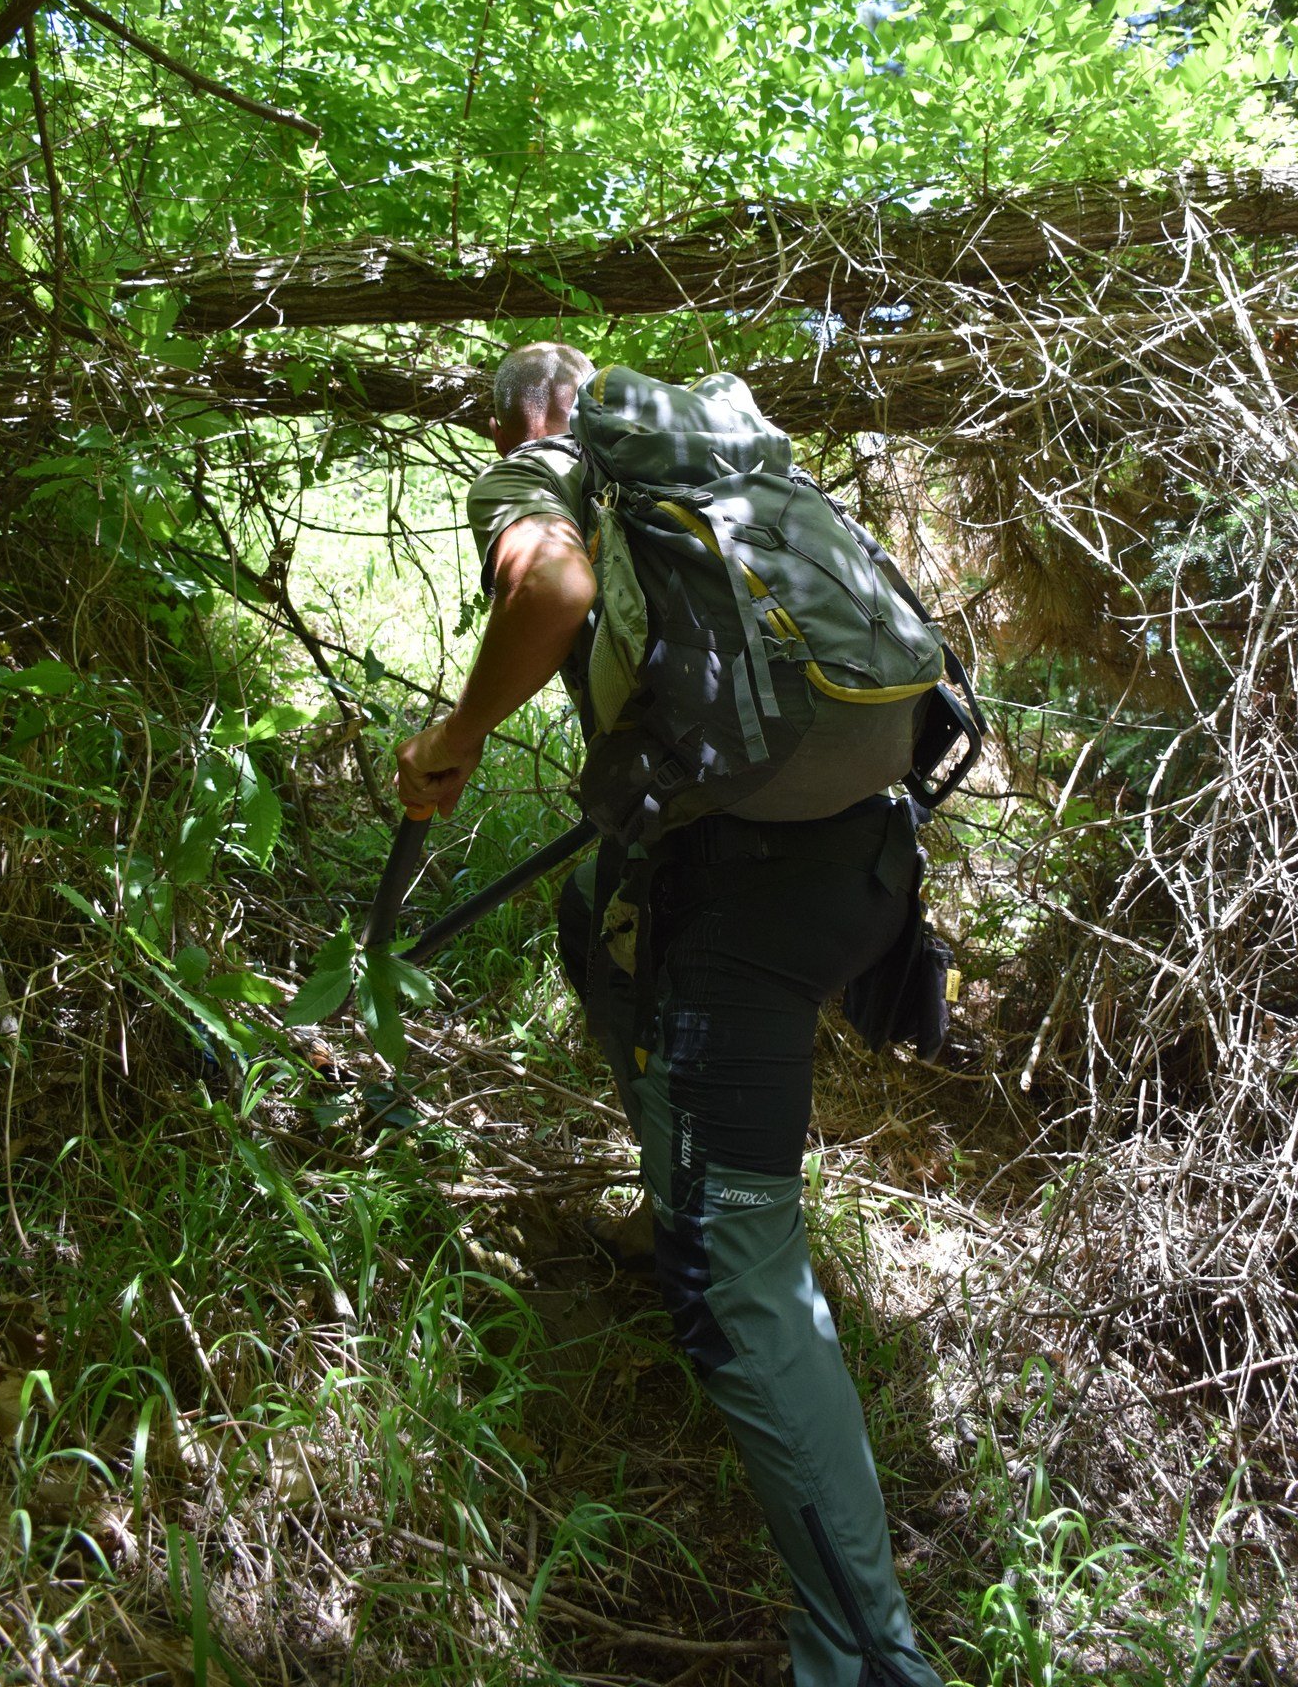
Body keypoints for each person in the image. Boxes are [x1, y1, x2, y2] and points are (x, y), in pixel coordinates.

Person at [397, 342, 946, 1687]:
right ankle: (687, 1197)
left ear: (514, 412)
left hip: (742, 907)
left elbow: (552, 583)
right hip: (867, 857)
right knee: (596, 918)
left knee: (735, 1276)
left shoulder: (547, 461)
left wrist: (457, 733)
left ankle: (867, 1658)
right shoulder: (728, 453)